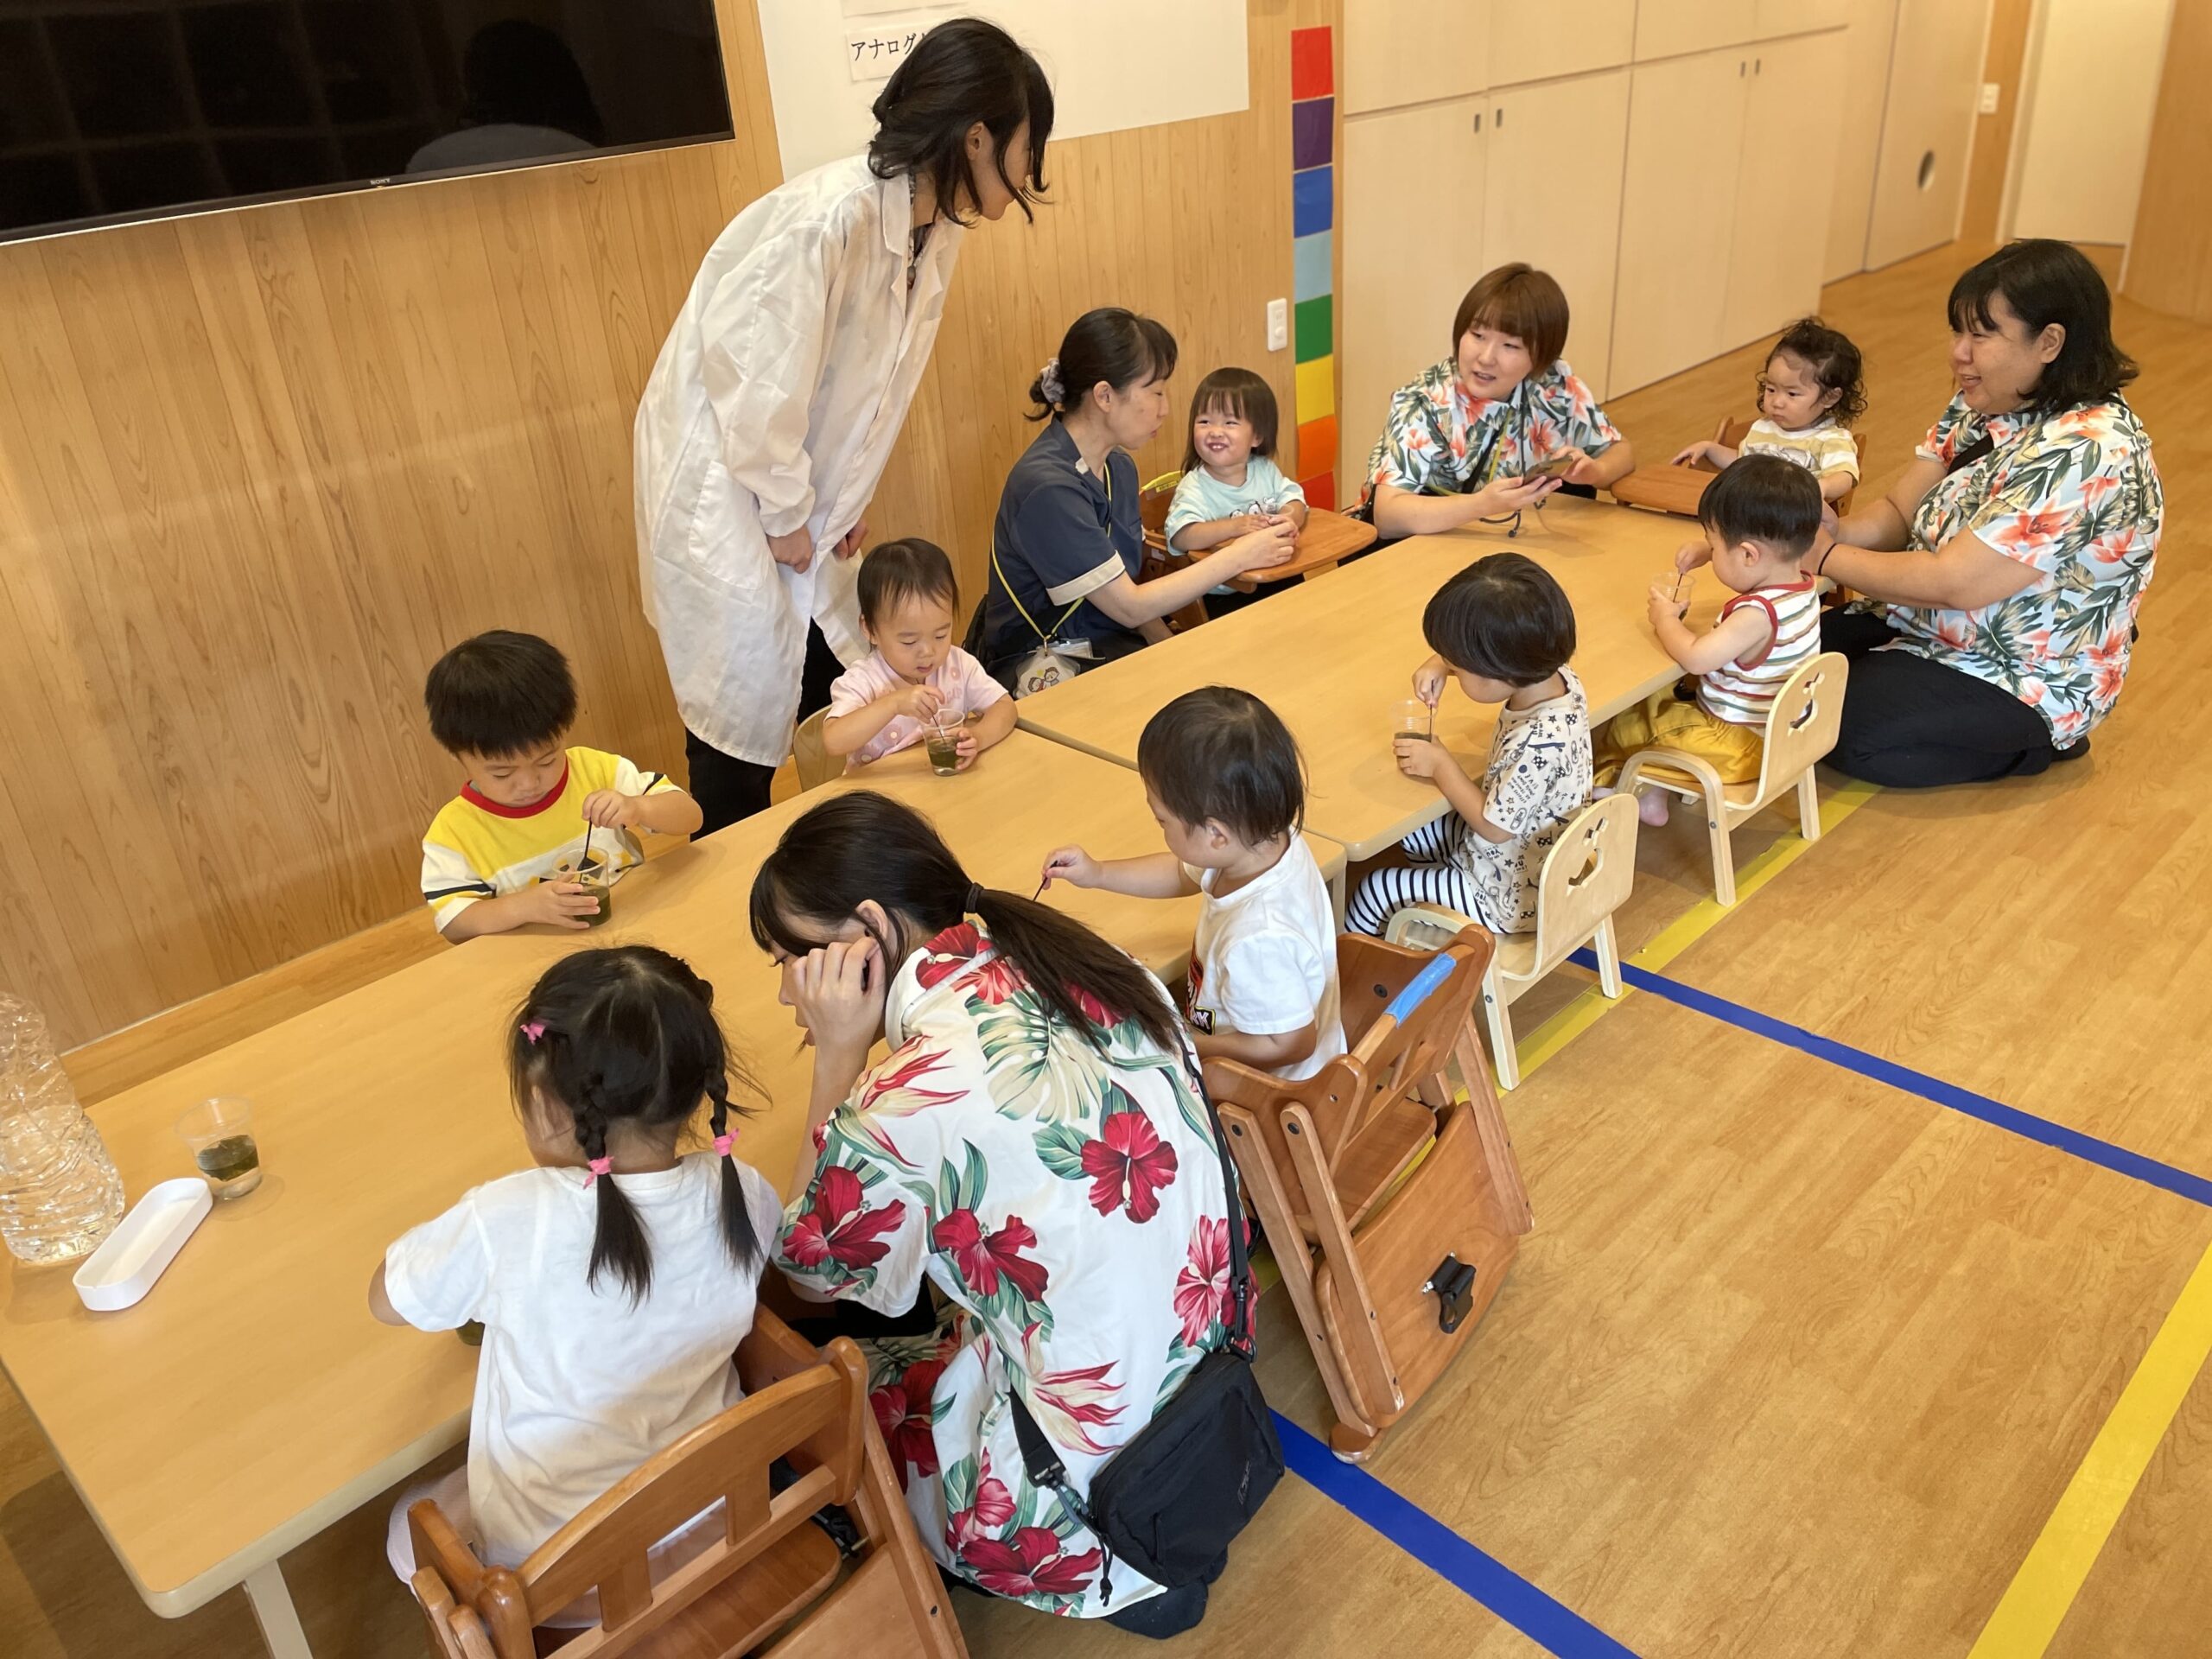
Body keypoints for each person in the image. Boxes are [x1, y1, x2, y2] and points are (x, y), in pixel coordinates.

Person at [752, 792, 1236, 1635]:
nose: (789, 988)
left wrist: (837, 1057)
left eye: (791, 958)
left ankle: (1011, 1555)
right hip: (1198, 1396)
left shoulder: (911, 1091)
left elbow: (811, 1271)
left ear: (865, 930)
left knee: (796, 1384)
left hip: (1073, 1510)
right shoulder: (1080, 957)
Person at [634, 20, 1054, 833]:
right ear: (977, 139)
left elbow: (862, 390)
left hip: (801, 502)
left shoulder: (933, 230)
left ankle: (844, 872)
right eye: (1026, 146)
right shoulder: (826, 220)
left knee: (831, 695)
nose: (1031, 172)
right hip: (733, 500)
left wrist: (839, 495)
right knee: (738, 747)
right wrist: (791, 512)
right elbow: (757, 388)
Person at [373, 948, 782, 1621]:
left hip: (565, 1586)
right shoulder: (742, 1188)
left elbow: (386, 1300)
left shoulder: (506, 1215)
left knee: (402, 1525)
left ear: (546, 1104)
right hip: (720, 1519)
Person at [1726, 239, 2162, 786]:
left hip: (2018, 672)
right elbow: (1898, 512)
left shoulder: (2088, 452)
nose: (1959, 352)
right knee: (1766, 662)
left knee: (1841, 728)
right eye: (1959, 332)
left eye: (1980, 335)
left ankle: (2045, 742)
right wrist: (1827, 530)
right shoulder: (1986, 399)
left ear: (2050, 342)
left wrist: (1829, 555)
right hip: (1920, 620)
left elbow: (1954, 583)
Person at [975, 309, 1294, 690]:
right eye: (1156, 391)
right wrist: (1242, 555)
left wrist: (1173, 651)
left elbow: (1128, 587)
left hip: (1109, 644)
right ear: (1105, 396)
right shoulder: (1047, 487)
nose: (1166, 408)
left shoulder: (1118, 467)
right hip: (1043, 662)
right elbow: (1129, 605)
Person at [1039, 687, 1345, 1080]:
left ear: (1216, 834)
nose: (1160, 826)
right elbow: (1180, 872)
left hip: (1272, 1094)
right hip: (1242, 1044)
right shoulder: (1260, 839)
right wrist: (1097, 873)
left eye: (1162, 820)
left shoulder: (1260, 937)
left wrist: (1188, 1042)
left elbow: (1289, 1044)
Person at [1345, 554, 1592, 937]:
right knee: (1413, 824)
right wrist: (1440, 662)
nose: (1454, 672)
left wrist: (1442, 763)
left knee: (1376, 889)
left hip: (1508, 896)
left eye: (1459, 666)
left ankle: (1358, 979)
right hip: (1520, 857)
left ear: (1496, 665)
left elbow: (1494, 829)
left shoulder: (1536, 743)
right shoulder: (1557, 675)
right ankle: (1431, 910)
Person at [419, 631, 702, 940]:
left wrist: (638, 807)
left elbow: (691, 816)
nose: (529, 783)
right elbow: (454, 925)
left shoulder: (595, 770)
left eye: (547, 760)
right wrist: (522, 908)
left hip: (634, 926)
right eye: (502, 774)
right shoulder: (455, 831)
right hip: (536, 953)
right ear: (457, 755)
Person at [1596, 457, 1822, 825]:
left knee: (1622, 722)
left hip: (1735, 744)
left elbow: (1697, 659)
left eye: (1714, 545)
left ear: (1749, 554)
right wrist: (1713, 552)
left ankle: (1615, 790)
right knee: (1656, 698)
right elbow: (1755, 554)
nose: (1709, 550)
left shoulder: (1756, 614)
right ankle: (1653, 791)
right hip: (1780, 733)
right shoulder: (1802, 585)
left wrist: (1666, 618)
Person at [1362, 263, 1636, 541]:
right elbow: (1387, 517)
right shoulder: (1426, 401)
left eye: (1511, 346)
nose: (1486, 357)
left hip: (1514, 540)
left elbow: (1621, 452)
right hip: (1429, 548)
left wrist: (1594, 472)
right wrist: (1483, 504)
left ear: (1542, 356)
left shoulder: (1553, 383)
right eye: (1478, 336)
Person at [822, 538, 1016, 771]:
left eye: (940, 635)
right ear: (870, 630)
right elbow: (833, 741)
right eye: (909, 641)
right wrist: (892, 704)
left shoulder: (958, 664)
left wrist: (978, 737)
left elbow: (1005, 707)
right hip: (880, 798)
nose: (928, 652)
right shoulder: (863, 680)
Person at [1671, 316, 1866, 502]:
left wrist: (1823, 486)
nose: (1777, 402)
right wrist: (1710, 448)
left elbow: (1845, 475)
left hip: (1792, 524)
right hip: (1748, 515)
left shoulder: (1831, 439)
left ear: (1829, 397)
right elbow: (1742, 461)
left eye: (1792, 394)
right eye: (1771, 389)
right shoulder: (1763, 428)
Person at [1165, 368, 1309, 619]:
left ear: (1257, 436)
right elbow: (1181, 536)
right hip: (1225, 594)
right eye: (1204, 421)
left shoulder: (1264, 470)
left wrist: (1289, 518)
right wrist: (1236, 526)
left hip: (1276, 576)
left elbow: (1295, 499)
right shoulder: (1195, 486)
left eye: (1230, 422)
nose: (1215, 431)